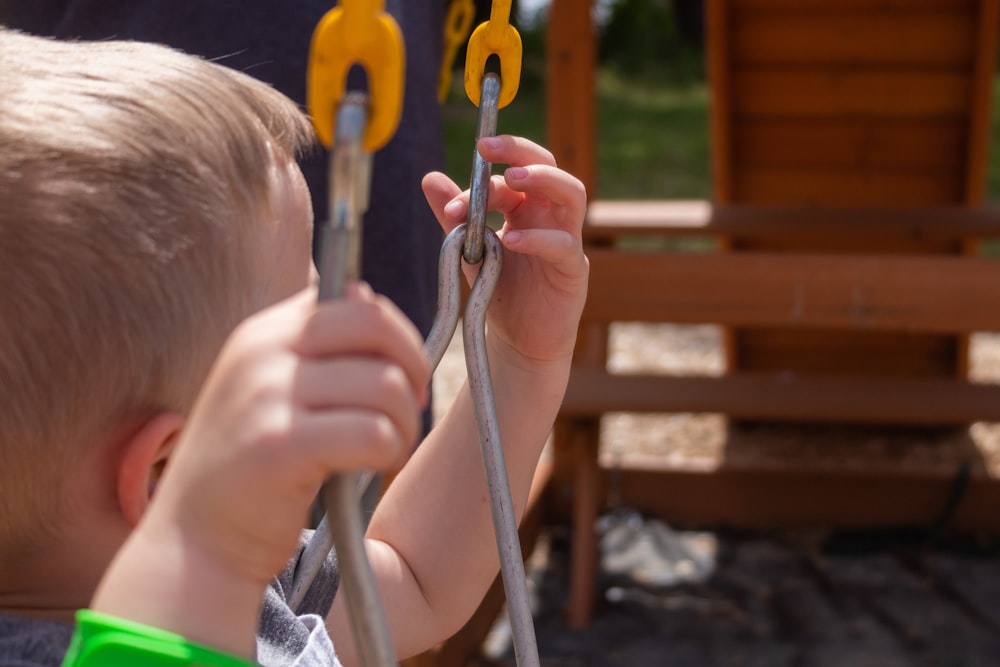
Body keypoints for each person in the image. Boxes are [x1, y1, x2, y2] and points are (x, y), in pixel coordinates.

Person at [0, 27, 588, 667]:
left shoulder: (256, 591)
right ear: (166, 474)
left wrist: (515, 363)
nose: (358, 303)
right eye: (309, 324)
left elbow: (418, 576)